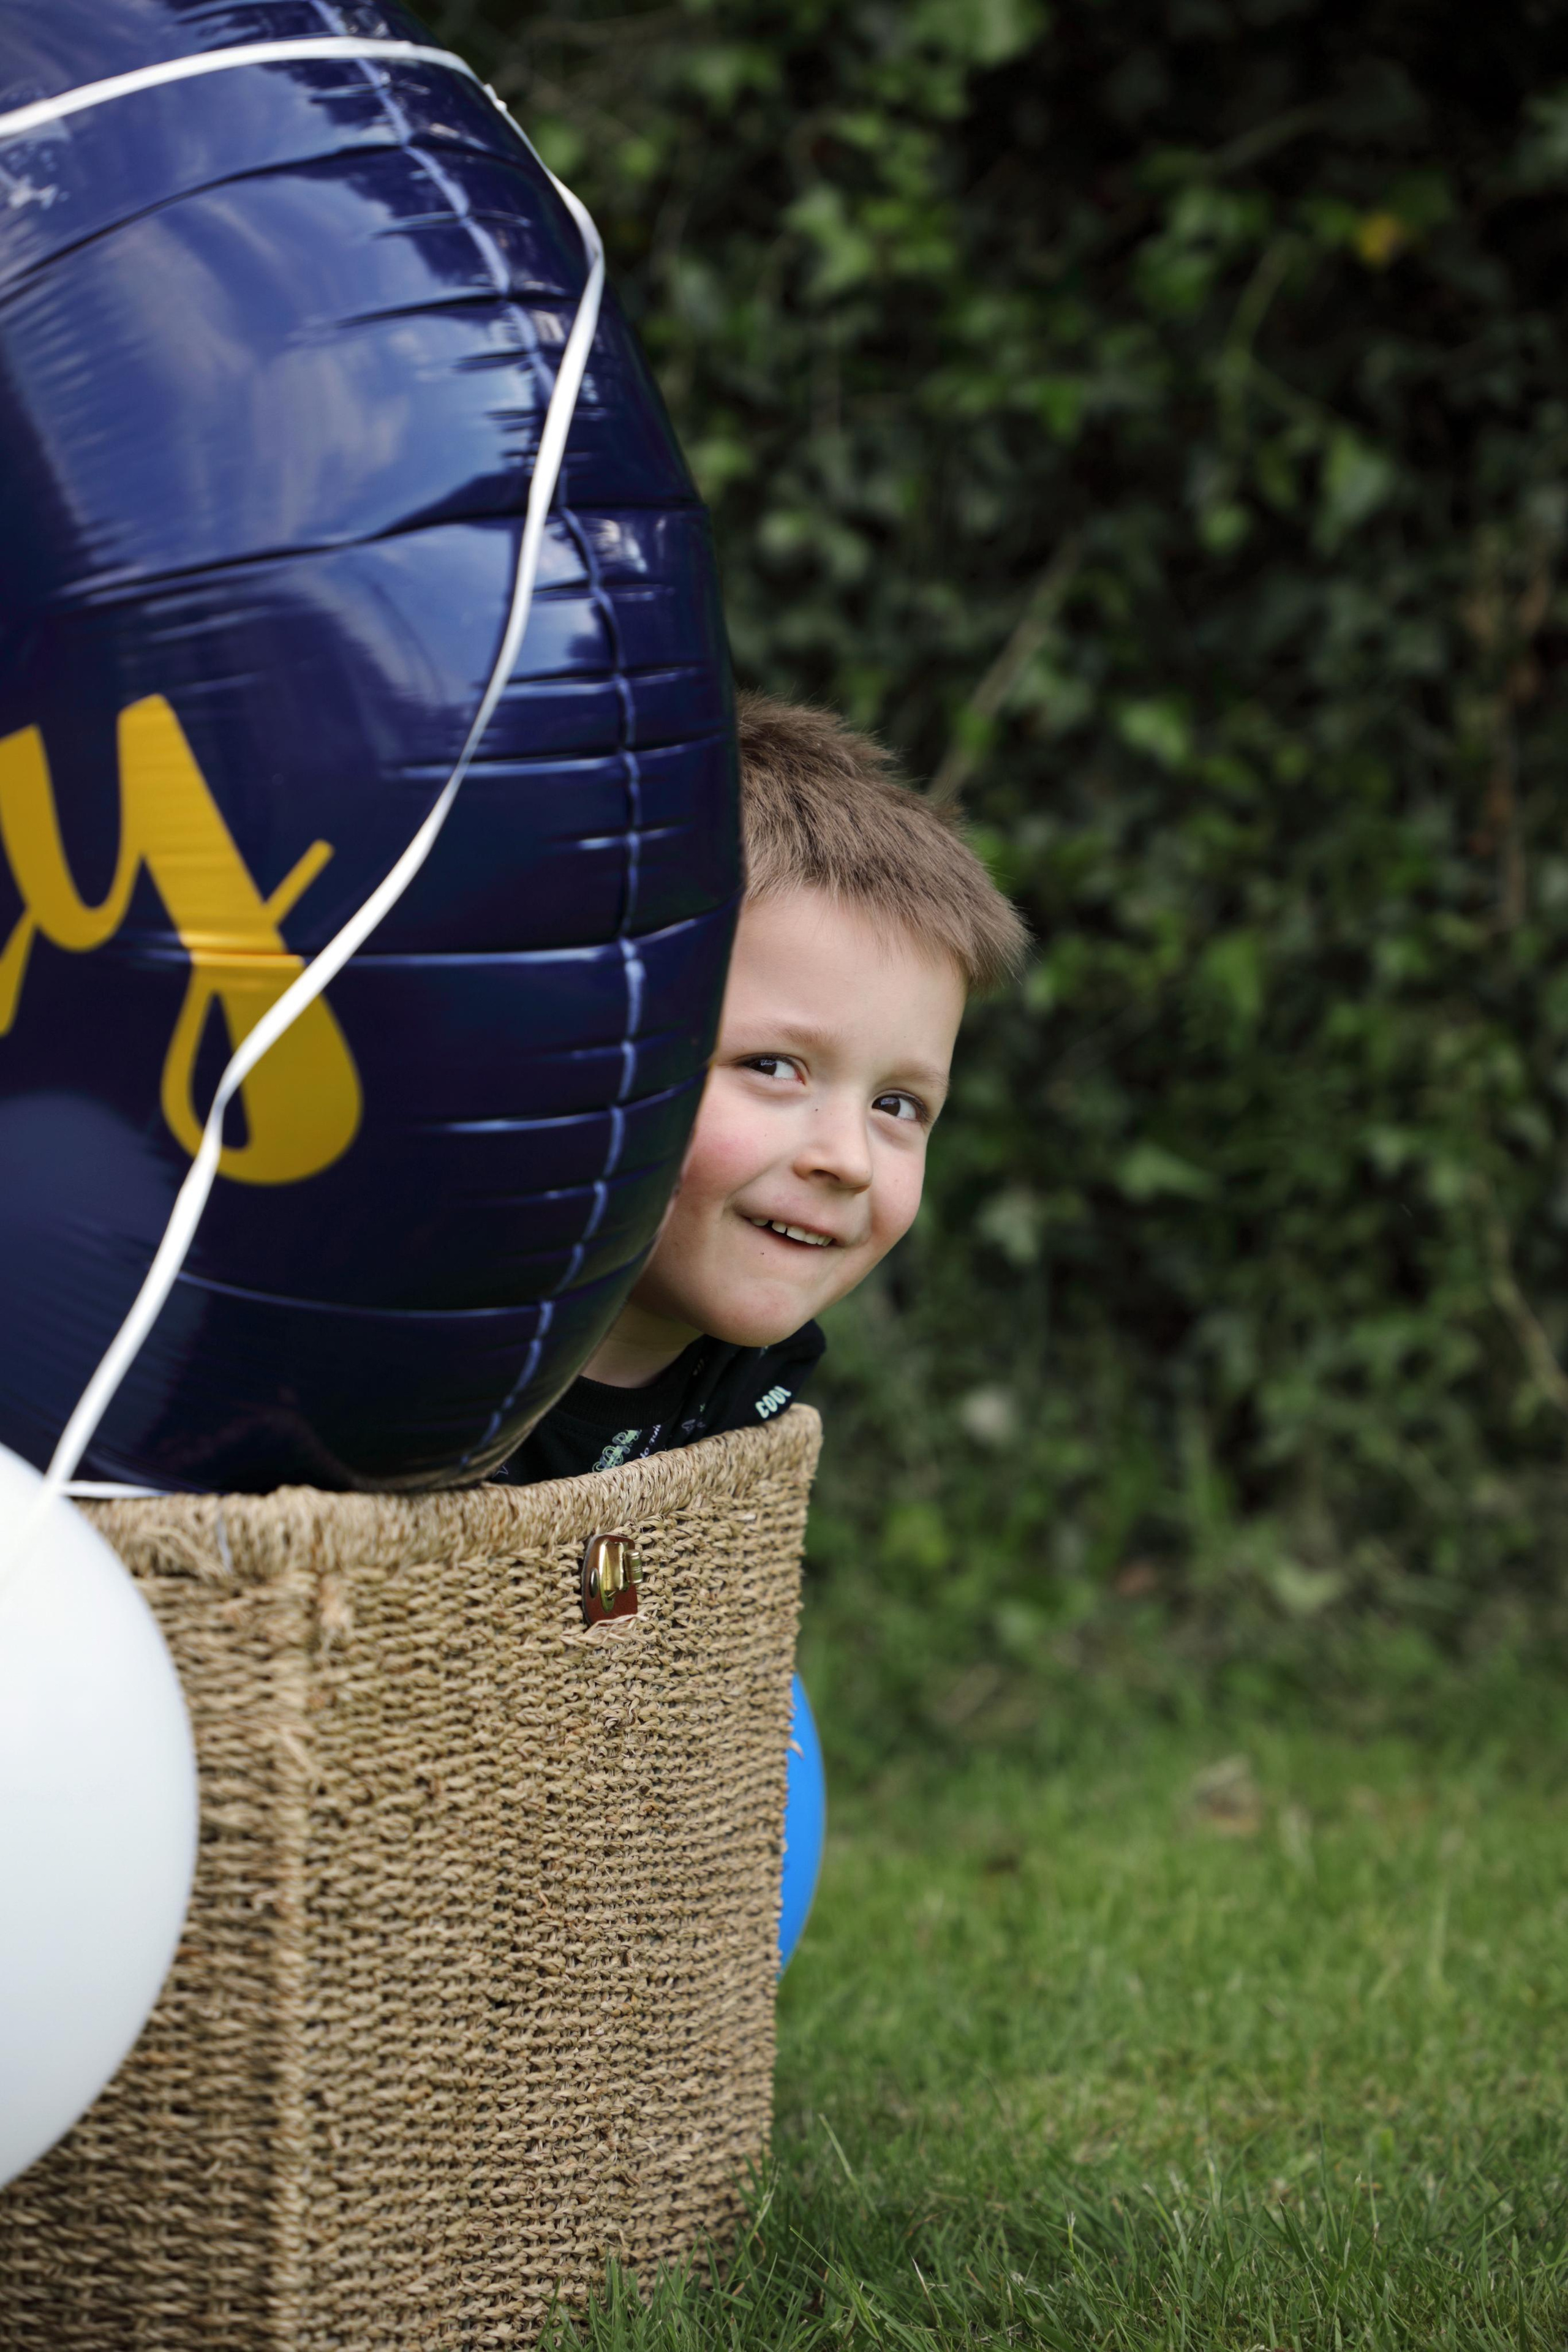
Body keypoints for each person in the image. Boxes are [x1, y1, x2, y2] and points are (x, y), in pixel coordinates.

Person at [492, 693, 1028, 1485]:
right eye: (774, 1067)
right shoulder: (409, 1372)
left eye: (896, 1106)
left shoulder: (759, 1386)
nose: (850, 1161)